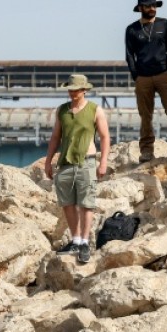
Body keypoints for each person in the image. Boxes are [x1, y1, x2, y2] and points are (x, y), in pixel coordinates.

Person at [45, 74, 111, 264]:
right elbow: (55, 137)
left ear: (84, 90)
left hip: (87, 160)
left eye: (76, 89)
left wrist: (103, 161)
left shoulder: (95, 110)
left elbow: (105, 137)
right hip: (65, 161)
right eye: (70, 89)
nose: (72, 92)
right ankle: (75, 240)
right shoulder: (62, 111)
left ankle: (84, 242)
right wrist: (49, 161)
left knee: (86, 203)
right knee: (67, 202)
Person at [125, 0, 167, 163]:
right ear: (140, 8)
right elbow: (129, 54)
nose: (152, 9)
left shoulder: (165, 24)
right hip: (143, 77)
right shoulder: (131, 29)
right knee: (145, 115)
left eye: (154, 5)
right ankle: (146, 151)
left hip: (163, 75)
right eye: (148, 6)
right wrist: (135, 76)